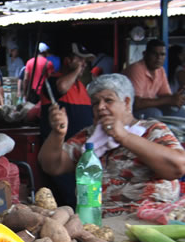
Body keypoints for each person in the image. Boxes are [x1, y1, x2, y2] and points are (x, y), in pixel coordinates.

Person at [38, 73, 185, 216]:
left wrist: (124, 137)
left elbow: (178, 167)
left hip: (147, 220)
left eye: (108, 100)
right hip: (97, 220)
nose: (100, 107)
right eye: (95, 103)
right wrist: (58, 134)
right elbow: (52, 166)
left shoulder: (152, 130)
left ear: (127, 103)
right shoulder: (90, 136)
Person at [39, 43, 96, 207]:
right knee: (67, 200)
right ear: (68, 60)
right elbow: (62, 87)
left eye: (86, 62)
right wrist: (77, 70)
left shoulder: (81, 87)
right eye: (81, 60)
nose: (84, 65)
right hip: (60, 154)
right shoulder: (52, 82)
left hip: (81, 154)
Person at [123, 39, 185, 119]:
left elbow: (165, 96)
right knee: (155, 113)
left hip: (145, 109)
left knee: (181, 112)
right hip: (127, 112)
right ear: (145, 54)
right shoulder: (137, 69)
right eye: (154, 54)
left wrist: (177, 98)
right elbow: (136, 104)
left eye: (162, 54)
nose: (159, 58)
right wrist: (169, 100)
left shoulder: (160, 70)